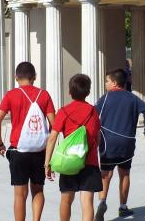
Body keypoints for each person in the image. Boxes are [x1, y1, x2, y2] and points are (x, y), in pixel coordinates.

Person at [0, 62, 55, 221]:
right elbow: (54, 125)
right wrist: (50, 155)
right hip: (40, 152)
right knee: (38, 191)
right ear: (34, 77)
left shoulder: (11, 95)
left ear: (16, 77)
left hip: (18, 151)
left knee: (20, 195)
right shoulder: (44, 95)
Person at [94, 69, 145, 220]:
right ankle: (123, 207)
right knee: (125, 173)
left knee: (106, 174)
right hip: (126, 142)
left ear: (114, 83)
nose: (106, 84)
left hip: (108, 142)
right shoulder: (133, 98)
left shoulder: (105, 98)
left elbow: (93, 115)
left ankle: (102, 201)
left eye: (107, 81)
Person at [45, 74, 102, 221]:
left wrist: (47, 163)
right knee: (87, 202)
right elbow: (98, 136)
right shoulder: (93, 111)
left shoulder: (64, 111)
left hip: (69, 161)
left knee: (66, 200)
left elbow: (52, 138)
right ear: (88, 92)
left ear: (70, 92)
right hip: (89, 162)